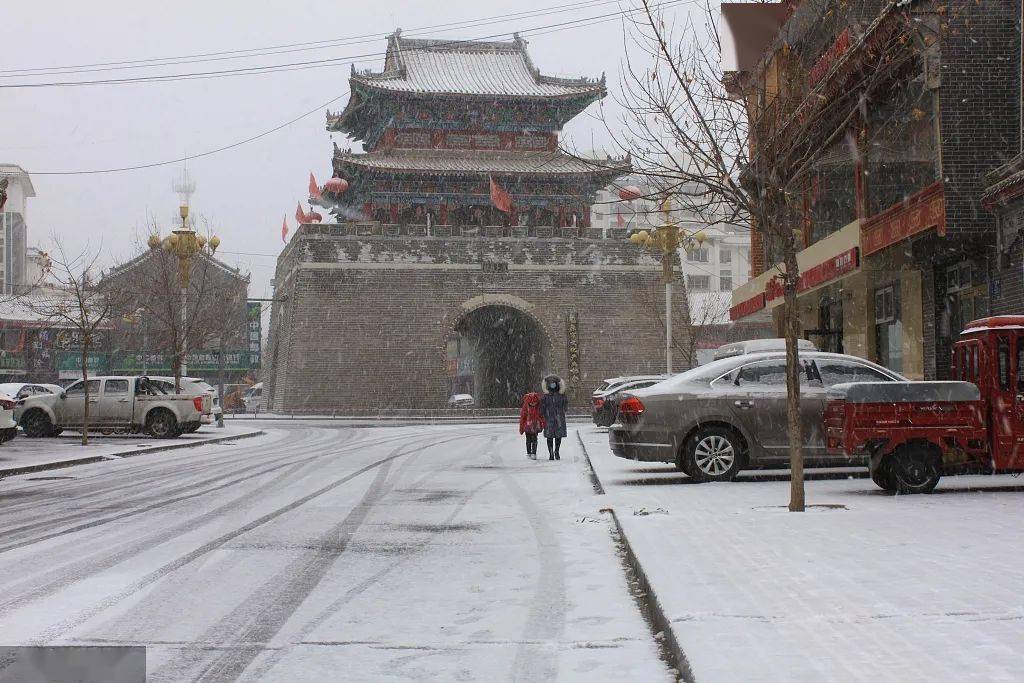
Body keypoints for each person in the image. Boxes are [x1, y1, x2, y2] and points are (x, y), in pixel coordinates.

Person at [540, 374, 568, 460]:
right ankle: (551, 453)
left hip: (558, 418)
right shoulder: (545, 397)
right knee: (549, 437)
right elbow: (542, 407)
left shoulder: (561, 396)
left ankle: (556, 451)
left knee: (558, 436)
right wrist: (543, 414)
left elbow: (565, 405)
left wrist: (561, 411)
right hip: (549, 419)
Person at [518, 391, 544, 460]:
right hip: (527, 426)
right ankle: (529, 453)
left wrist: (543, 423)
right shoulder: (526, 407)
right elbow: (522, 418)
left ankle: (534, 453)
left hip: (535, 426)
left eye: (534, 402)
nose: (533, 404)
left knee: (534, 439)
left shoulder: (539, 406)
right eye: (531, 402)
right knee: (528, 440)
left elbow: (542, 416)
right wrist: (521, 428)